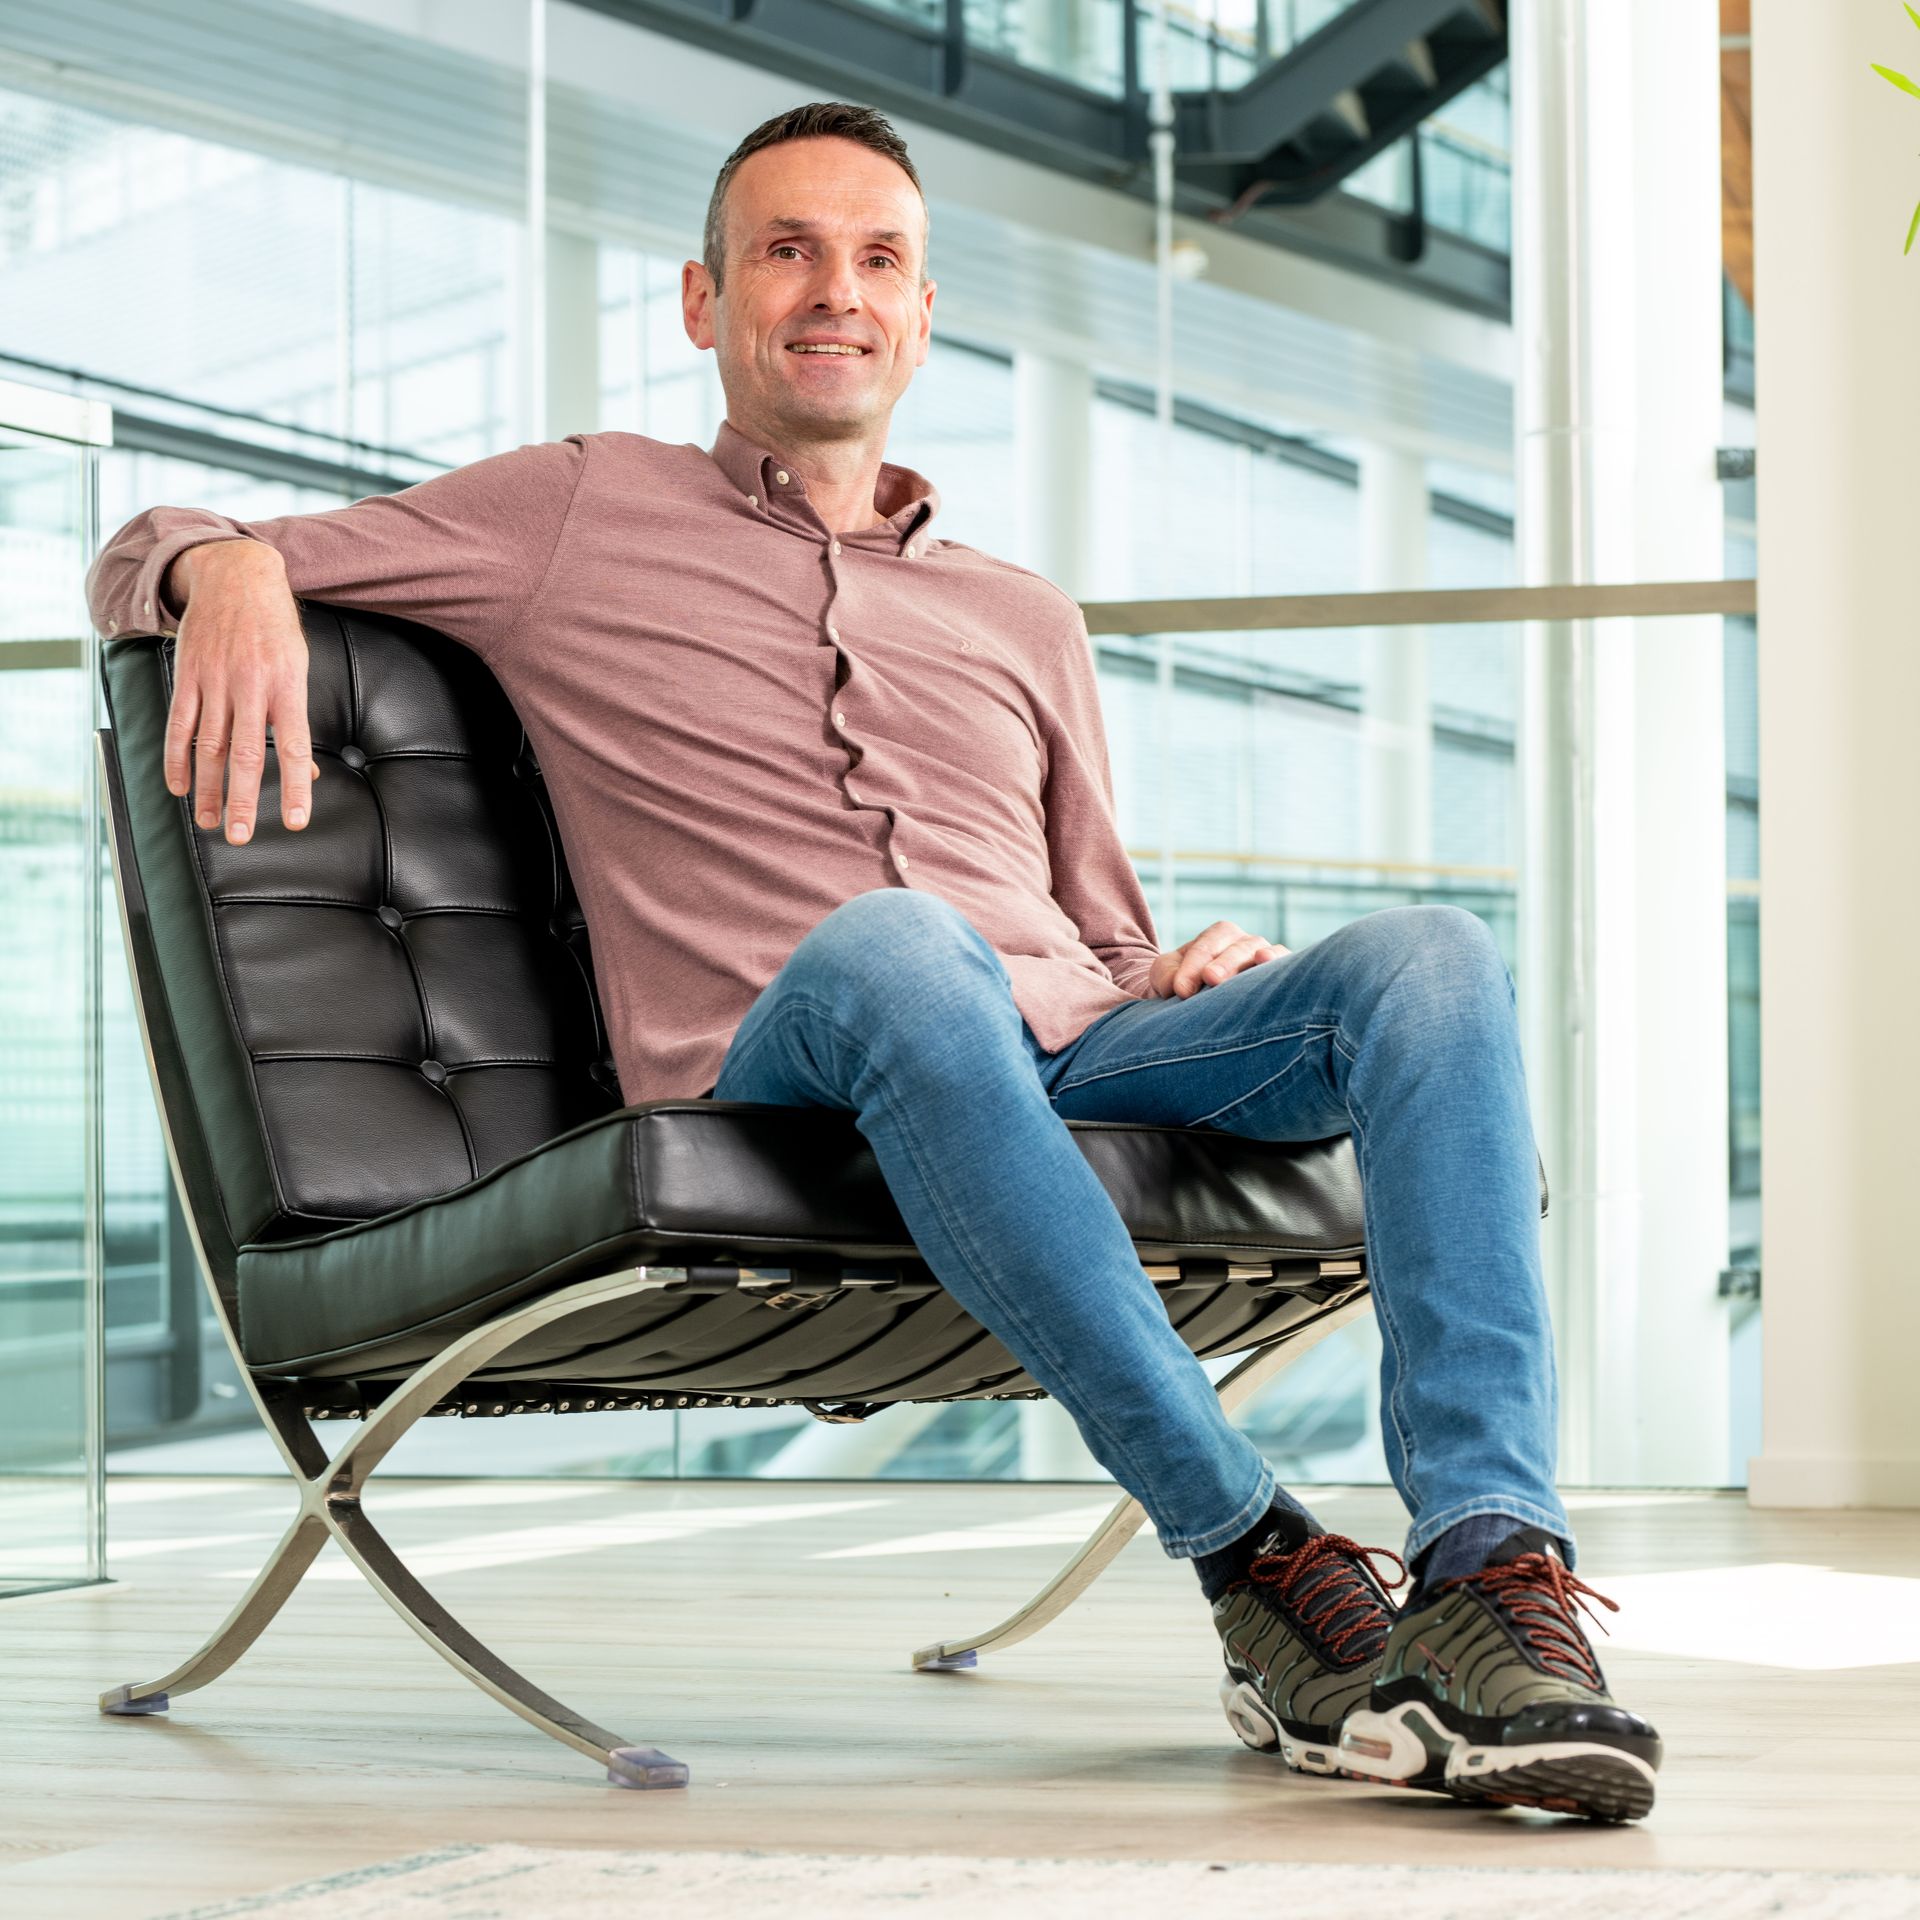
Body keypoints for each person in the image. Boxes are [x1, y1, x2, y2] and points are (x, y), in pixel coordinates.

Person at [85, 100, 1660, 1824]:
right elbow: (138, 559)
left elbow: (1099, 918)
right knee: (911, 952)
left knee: (1429, 959)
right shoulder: (571, 510)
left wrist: (1179, 977)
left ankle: (1491, 1584)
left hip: (1062, 1044)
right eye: (789, 251)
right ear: (707, 303)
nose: (837, 289)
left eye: (880, 259)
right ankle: (1255, 1555)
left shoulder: (1024, 616)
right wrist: (222, 561)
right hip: (791, 1061)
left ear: (920, 314)